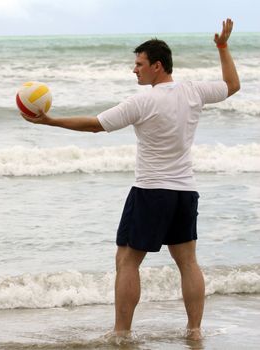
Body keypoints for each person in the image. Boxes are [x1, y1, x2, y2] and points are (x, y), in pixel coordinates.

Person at [21, 19, 240, 340]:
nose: (134, 70)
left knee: (126, 261)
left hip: (151, 191)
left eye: (139, 64)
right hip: (184, 192)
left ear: (157, 66)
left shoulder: (142, 102)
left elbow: (96, 125)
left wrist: (50, 121)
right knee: (188, 262)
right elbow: (232, 85)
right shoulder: (194, 91)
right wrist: (223, 48)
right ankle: (194, 331)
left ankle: (121, 332)